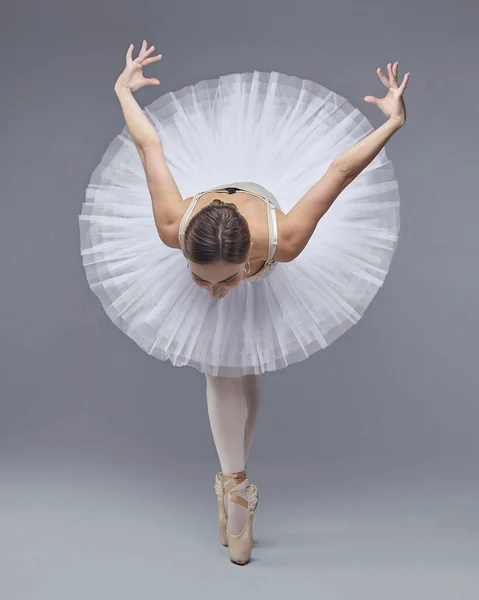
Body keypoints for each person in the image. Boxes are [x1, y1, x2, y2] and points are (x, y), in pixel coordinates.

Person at [78, 39, 409, 565]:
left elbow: (340, 170)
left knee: (244, 368)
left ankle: (232, 487)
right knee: (222, 368)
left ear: (249, 263)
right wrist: (123, 90)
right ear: (183, 251)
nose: (212, 295)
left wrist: (392, 123)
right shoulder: (172, 225)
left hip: (263, 203)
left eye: (226, 282)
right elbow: (149, 144)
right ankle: (236, 491)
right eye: (199, 279)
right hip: (214, 217)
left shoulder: (288, 238)